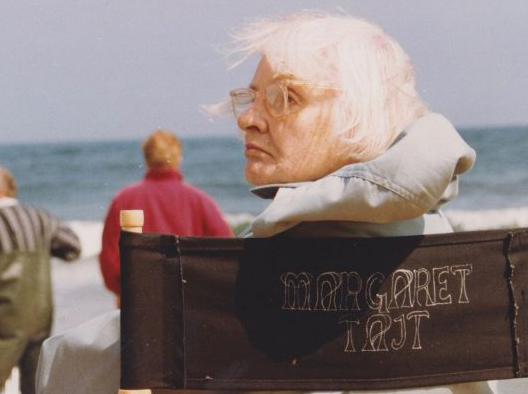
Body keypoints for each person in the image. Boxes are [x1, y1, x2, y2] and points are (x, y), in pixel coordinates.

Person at [36, 12, 502, 394]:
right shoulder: (449, 253)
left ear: (357, 116)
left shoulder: (273, 268)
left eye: (284, 97)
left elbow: (82, 367)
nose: (249, 120)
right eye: (252, 98)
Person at [0, 164, 81, 394]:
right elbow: (73, 249)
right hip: (41, 317)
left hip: (1, 322)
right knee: (35, 386)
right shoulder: (41, 217)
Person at [99, 130, 232, 301]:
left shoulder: (123, 200)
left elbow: (109, 257)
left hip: (138, 297)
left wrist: (123, 289)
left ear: (146, 159)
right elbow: (225, 249)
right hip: (189, 298)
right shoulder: (200, 201)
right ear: (179, 158)